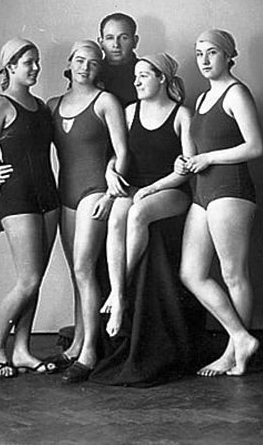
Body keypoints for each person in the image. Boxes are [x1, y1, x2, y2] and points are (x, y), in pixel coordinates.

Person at [175, 29, 263, 376]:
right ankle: (241, 337)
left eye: (212, 53)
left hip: (232, 189)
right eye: (199, 54)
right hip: (202, 191)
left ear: (228, 56)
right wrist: (185, 162)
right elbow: (195, 152)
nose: (205, 60)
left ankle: (234, 353)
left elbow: (255, 146)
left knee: (232, 274)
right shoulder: (199, 100)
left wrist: (209, 158)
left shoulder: (236, 93)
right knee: (191, 273)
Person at [45, 40, 128, 383]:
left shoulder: (106, 101)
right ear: (70, 64)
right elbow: (27, 145)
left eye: (93, 63)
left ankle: (90, 352)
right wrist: (1, 164)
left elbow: (123, 151)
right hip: (65, 195)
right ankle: (77, 343)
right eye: (80, 61)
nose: (85, 68)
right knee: (77, 273)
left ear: (100, 69)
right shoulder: (52, 105)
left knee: (83, 267)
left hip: (94, 193)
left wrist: (110, 190)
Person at [0, 37, 60, 378]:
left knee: (36, 279)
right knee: (27, 280)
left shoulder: (42, 107)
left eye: (37, 61)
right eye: (28, 62)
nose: (36, 68)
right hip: (17, 197)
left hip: (48, 196)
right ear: (10, 66)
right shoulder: (0, 105)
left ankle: (23, 350)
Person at [100, 53, 193, 338]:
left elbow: (187, 169)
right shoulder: (129, 112)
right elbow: (117, 155)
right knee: (117, 215)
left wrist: (152, 189)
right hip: (135, 186)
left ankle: (119, 293)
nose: (136, 81)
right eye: (135, 76)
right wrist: (109, 174)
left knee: (137, 213)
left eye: (144, 75)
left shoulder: (181, 114)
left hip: (171, 191)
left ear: (162, 78)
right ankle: (118, 296)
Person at [98, 12, 139, 109]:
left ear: (135, 41)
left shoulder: (148, 73)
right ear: (101, 42)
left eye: (124, 38)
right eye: (110, 38)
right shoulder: (91, 73)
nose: (116, 44)